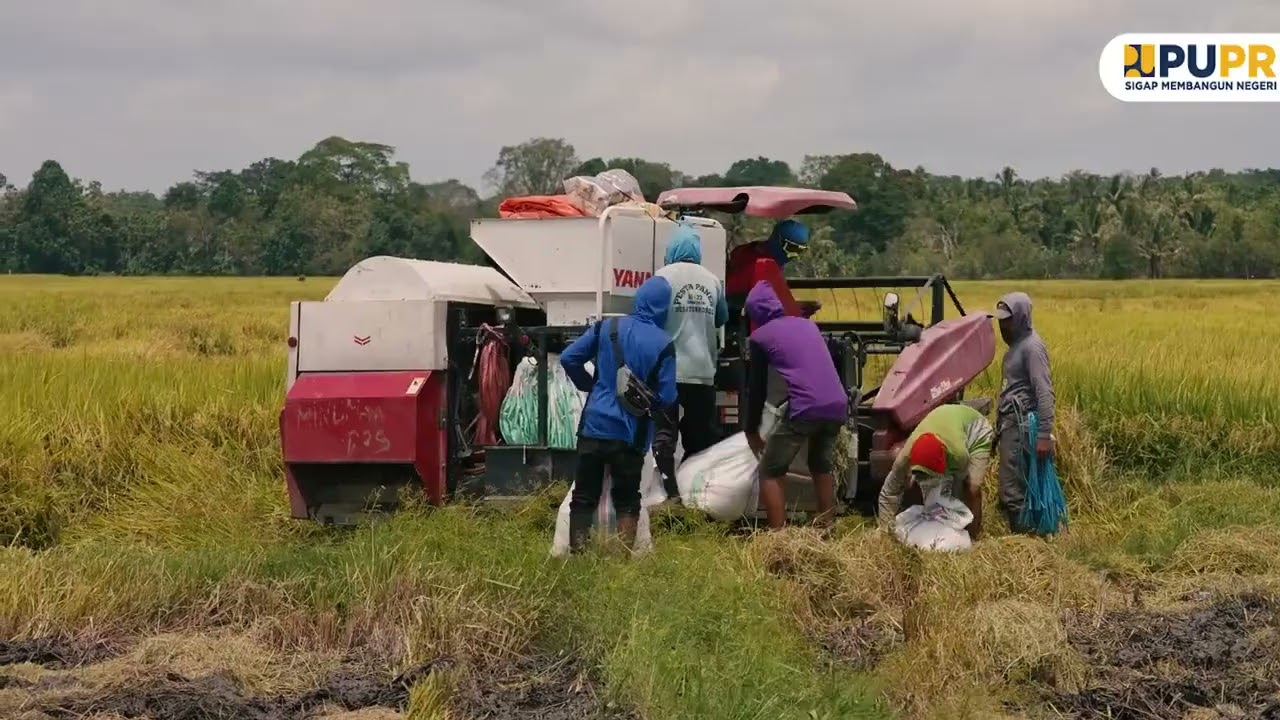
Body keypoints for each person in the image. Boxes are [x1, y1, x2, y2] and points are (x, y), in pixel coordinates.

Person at [560, 275, 678, 553]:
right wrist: (648, 404)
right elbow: (669, 397)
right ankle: (621, 563)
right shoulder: (663, 343)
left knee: (583, 497)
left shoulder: (607, 327)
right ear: (664, 308)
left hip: (594, 426)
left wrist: (590, 385)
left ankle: (579, 556)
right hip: (631, 433)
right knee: (627, 499)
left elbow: (568, 357)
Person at [742, 280, 848, 530]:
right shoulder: (807, 325)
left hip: (807, 407)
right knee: (820, 465)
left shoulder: (760, 337)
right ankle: (826, 527)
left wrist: (750, 430)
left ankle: (779, 539)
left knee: (770, 470)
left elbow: (756, 389)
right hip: (837, 404)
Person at [651, 224, 728, 503]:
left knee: (664, 433)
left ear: (671, 250)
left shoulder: (661, 278)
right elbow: (721, 319)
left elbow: (649, 317)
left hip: (668, 371)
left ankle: (670, 492)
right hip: (702, 370)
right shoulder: (712, 281)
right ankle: (698, 491)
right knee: (699, 435)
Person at [876, 403, 994, 540]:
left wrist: (953, 527)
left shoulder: (958, 455)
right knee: (920, 488)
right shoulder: (905, 456)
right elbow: (888, 493)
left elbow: (959, 488)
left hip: (977, 433)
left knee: (972, 487)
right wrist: (885, 532)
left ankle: (974, 536)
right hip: (945, 422)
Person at [994, 291, 1057, 533]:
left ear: (1020, 318)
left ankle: (1024, 544)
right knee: (1014, 485)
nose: (1002, 325)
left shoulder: (1032, 348)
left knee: (1012, 489)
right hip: (1010, 424)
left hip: (1021, 426)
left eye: (1007, 320)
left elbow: (1044, 392)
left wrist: (1043, 433)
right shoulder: (1016, 347)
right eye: (1000, 320)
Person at [725, 220, 822, 324]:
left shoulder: (753, 251)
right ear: (777, 240)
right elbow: (762, 304)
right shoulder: (761, 265)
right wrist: (797, 308)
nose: (795, 256)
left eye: (800, 251)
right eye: (791, 248)